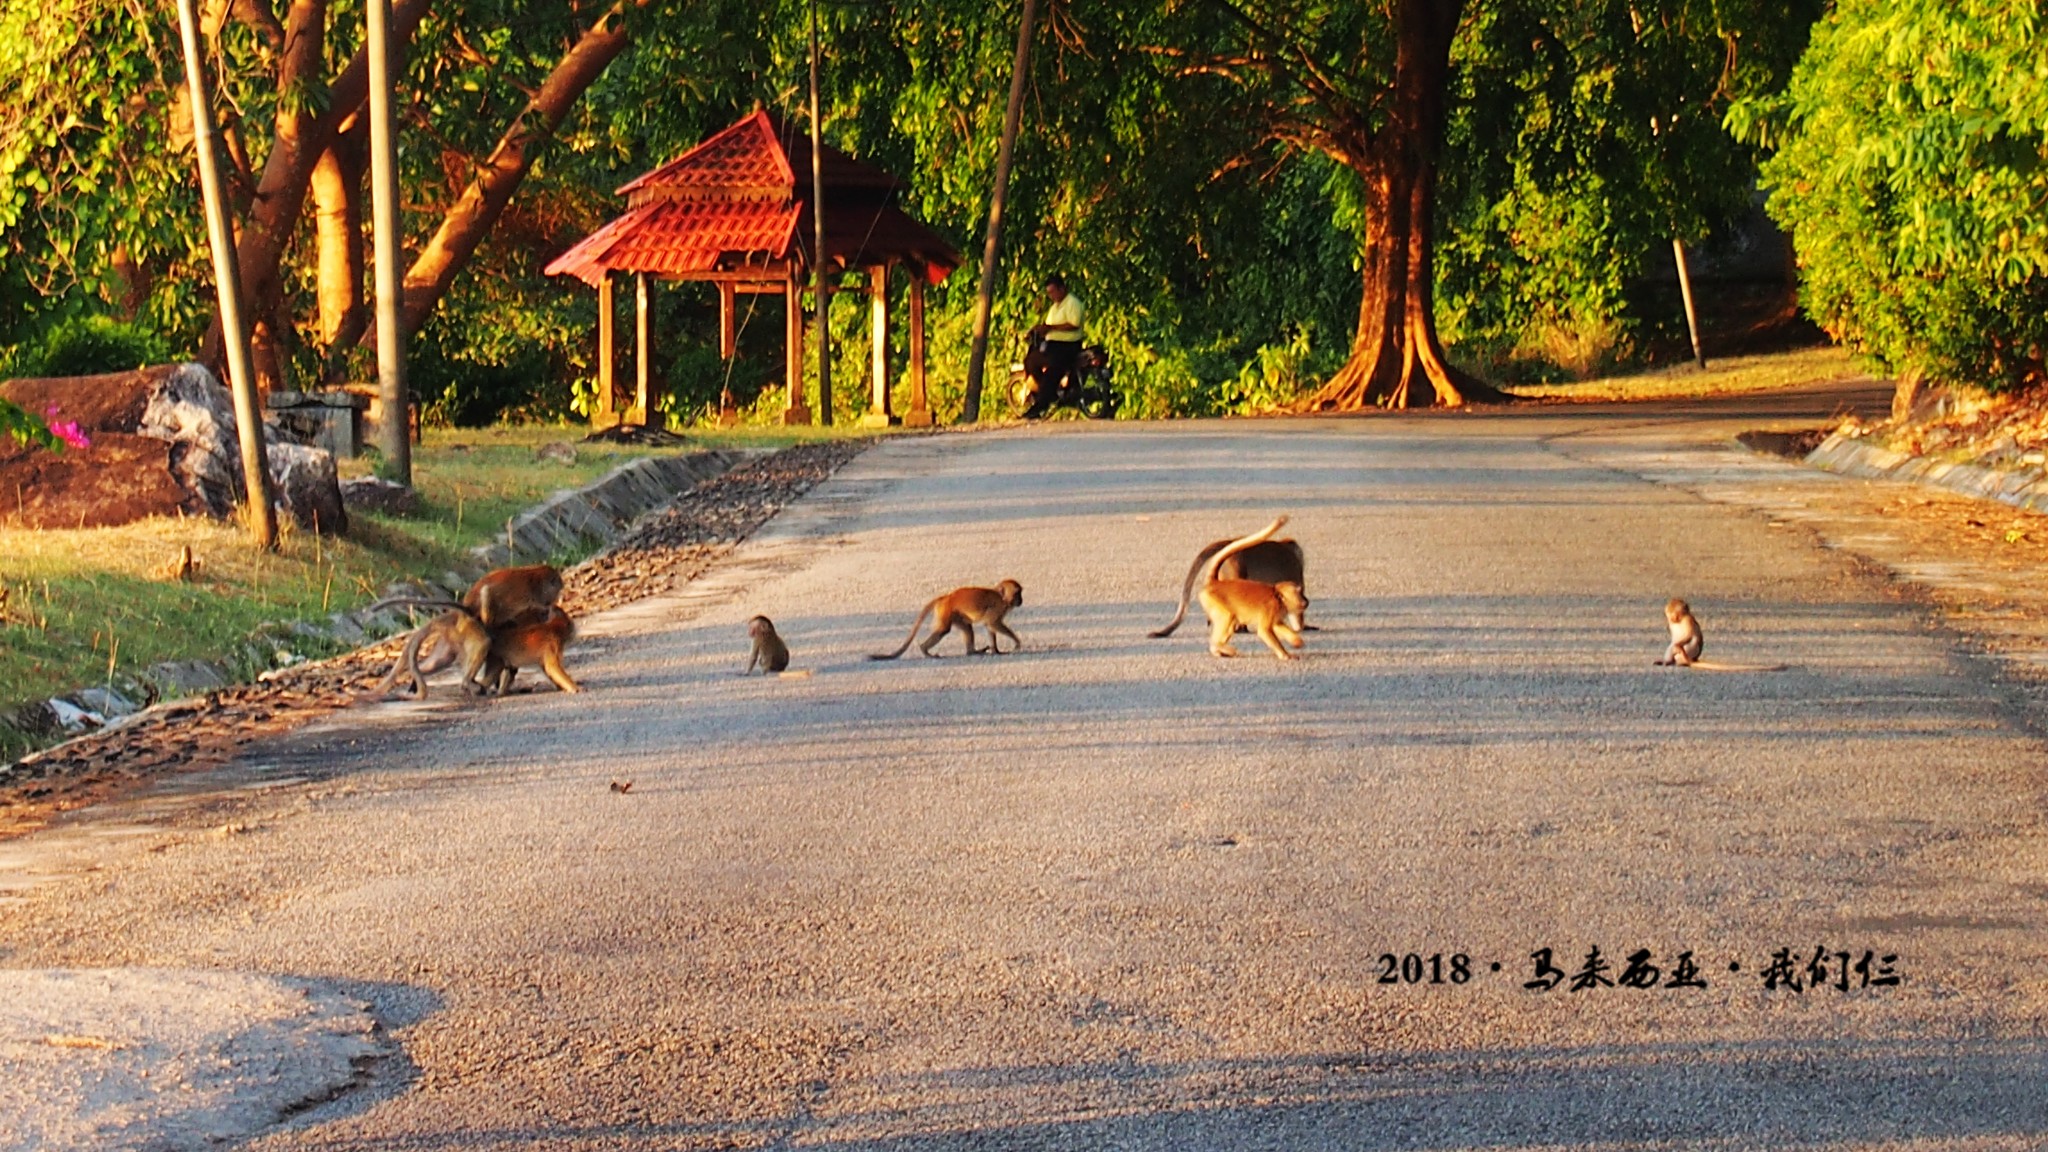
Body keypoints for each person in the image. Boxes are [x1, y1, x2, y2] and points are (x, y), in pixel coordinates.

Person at [1023, 275, 1085, 415]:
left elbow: (1073, 324)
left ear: (1062, 289)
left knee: (1053, 370)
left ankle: (1041, 405)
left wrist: (1051, 328)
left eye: (1053, 292)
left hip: (1067, 345)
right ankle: (1046, 391)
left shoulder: (1072, 303)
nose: (1052, 296)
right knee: (1031, 361)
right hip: (1052, 344)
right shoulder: (1054, 308)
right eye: (1049, 293)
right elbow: (1049, 326)